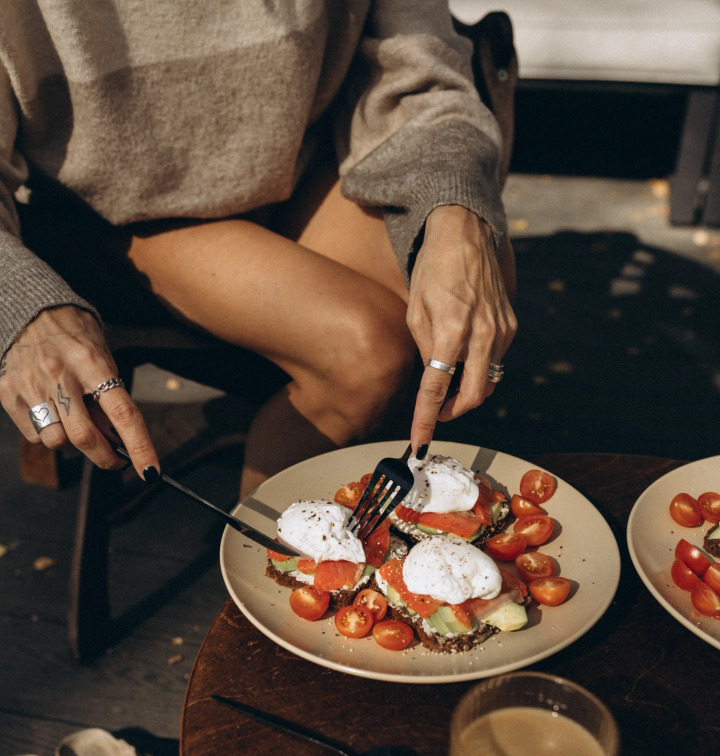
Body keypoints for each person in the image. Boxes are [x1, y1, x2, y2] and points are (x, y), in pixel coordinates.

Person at [0, 1, 516, 500]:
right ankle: (282, 575)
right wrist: (21, 308)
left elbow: (419, 79)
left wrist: (455, 213)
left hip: (302, 164)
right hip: (110, 215)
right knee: (365, 354)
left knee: (460, 312)